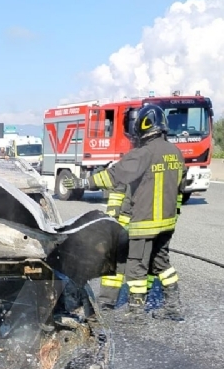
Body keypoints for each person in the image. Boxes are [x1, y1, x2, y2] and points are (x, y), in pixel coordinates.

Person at [63, 104, 186, 320]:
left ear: (143, 126)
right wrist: (173, 213)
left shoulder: (144, 153)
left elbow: (114, 176)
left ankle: (136, 311)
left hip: (145, 222)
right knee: (162, 264)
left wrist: (82, 182)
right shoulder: (174, 152)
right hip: (168, 223)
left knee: (136, 267)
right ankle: (173, 306)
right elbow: (180, 188)